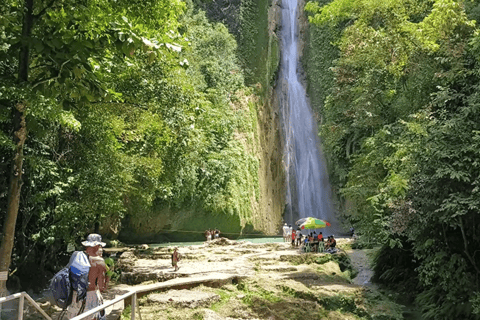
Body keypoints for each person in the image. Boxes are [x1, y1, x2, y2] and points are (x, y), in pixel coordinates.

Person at [67, 233, 109, 320]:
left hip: (76, 295)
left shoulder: (77, 257)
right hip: (91, 295)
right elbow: (101, 287)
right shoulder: (100, 261)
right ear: (97, 246)